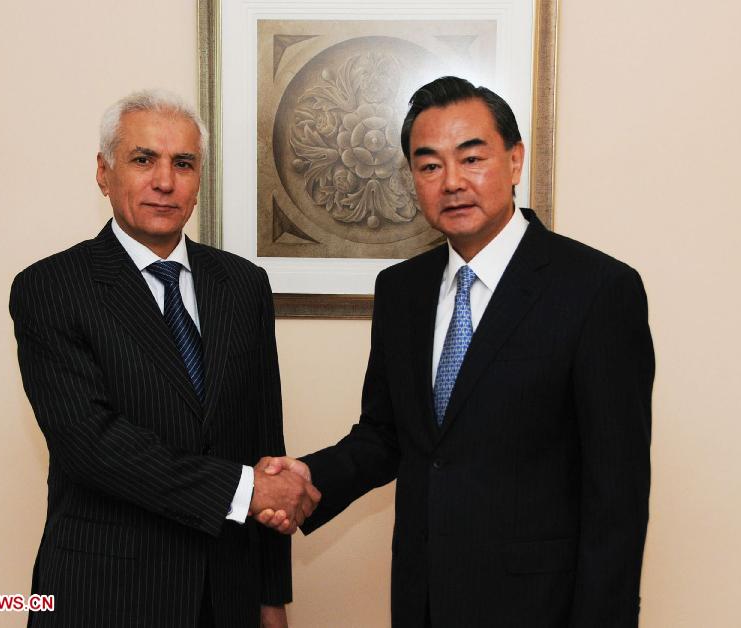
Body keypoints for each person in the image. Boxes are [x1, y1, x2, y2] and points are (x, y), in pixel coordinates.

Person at [259, 76, 655, 627]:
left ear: (514, 162)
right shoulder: (402, 291)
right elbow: (386, 435)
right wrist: (305, 479)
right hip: (423, 601)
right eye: (429, 165)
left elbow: (618, 494)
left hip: (541, 609)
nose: (452, 182)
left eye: (472, 158)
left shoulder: (597, 290)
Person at [10, 89, 319, 627]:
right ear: (104, 173)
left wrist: (271, 595)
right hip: (106, 597)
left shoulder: (243, 285)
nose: (164, 181)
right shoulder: (50, 287)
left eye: (183, 163)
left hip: (227, 594)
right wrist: (245, 489)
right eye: (142, 159)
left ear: (199, 179)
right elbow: (93, 445)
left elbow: (265, 442)